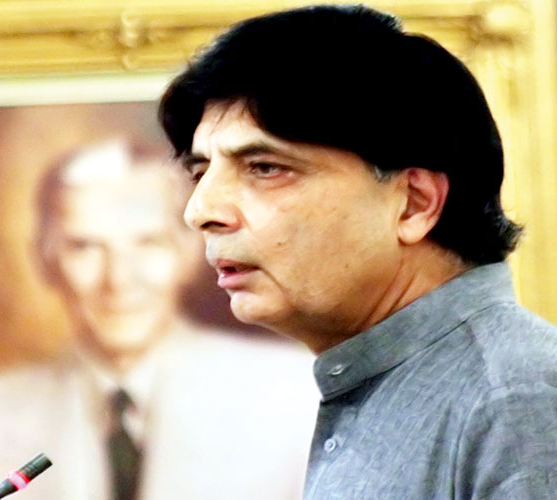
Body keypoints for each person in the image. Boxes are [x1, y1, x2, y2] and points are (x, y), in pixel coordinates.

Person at [158, 4, 557, 500]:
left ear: (414, 204)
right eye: (200, 173)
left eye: (264, 167)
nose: (200, 211)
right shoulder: (381, 380)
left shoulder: (518, 400)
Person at [0, 137, 320, 500]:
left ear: (189, 252)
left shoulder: (294, 398)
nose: (119, 280)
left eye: (147, 243)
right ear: (45, 258)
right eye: (85, 247)